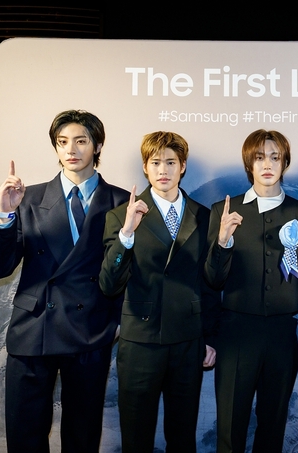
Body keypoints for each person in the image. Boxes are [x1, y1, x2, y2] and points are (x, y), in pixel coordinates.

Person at [0, 110, 130, 453]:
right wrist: (4, 215)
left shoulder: (122, 201)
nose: (71, 150)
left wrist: (118, 320)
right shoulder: (27, 198)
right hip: (34, 328)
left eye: (81, 141)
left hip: (91, 328)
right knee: (25, 435)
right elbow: (0, 268)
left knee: (82, 435)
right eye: (62, 142)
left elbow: (130, 271)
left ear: (97, 145)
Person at [99, 131, 219, 453]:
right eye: (155, 163)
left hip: (187, 340)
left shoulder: (204, 216)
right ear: (145, 167)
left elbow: (209, 284)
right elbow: (109, 284)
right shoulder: (120, 216)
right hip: (140, 341)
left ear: (182, 166)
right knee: (136, 436)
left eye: (170, 162)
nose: (163, 170)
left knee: (183, 436)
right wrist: (127, 233)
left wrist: (210, 337)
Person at [205, 129, 298, 453]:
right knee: (230, 428)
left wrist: (284, 299)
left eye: (275, 157)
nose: (267, 164)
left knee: (273, 427)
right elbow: (213, 279)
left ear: (285, 162)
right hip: (235, 334)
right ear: (249, 163)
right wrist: (223, 241)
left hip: (281, 335)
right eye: (259, 158)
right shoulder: (223, 212)